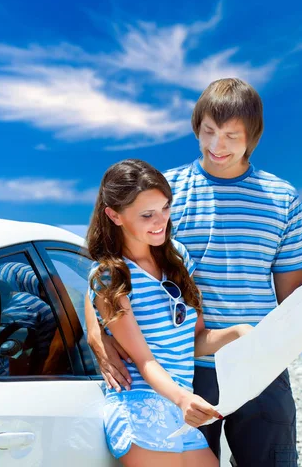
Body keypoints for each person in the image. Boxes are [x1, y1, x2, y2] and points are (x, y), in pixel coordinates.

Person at [86, 78, 302, 466]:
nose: (218, 146)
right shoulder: (166, 194)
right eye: (208, 132)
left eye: (232, 135)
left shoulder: (282, 199)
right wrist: (98, 334)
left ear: (253, 136)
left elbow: (293, 296)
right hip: (183, 369)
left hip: (261, 361)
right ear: (196, 127)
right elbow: (109, 270)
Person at [86, 158, 252, 466]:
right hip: (141, 409)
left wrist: (238, 333)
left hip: (181, 409)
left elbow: (195, 339)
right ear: (114, 215)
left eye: (165, 207)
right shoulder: (110, 277)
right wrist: (182, 398)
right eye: (147, 214)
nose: (160, 220)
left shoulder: (178, 259)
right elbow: (145, 360)